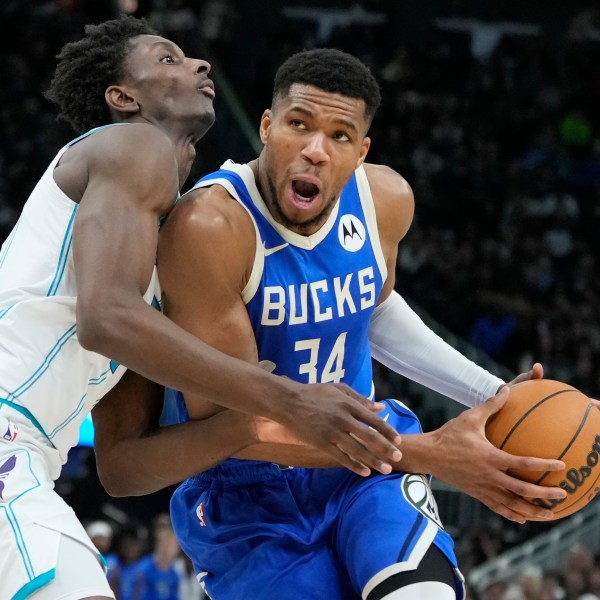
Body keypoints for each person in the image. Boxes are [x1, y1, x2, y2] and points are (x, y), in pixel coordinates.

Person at [95, 48, 569, 600]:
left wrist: (493, 395)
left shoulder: (385, 199)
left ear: (361, 151)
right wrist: (433, 452)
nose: (316, 151)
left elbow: (374, 305)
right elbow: (239, 427)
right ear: (267, 127)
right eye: (299, 125)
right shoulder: (209, 228)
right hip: (249, 488)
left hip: (365, 462)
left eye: (340, 136)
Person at [0, 17, 403, 600]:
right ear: (123, 98)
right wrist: (287, 398)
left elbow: (123, 467)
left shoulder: (156, 245)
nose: (199, 65)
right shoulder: (133, 144)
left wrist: (245, 426)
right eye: (167, 59)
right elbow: (105, 318)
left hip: (36, 458)